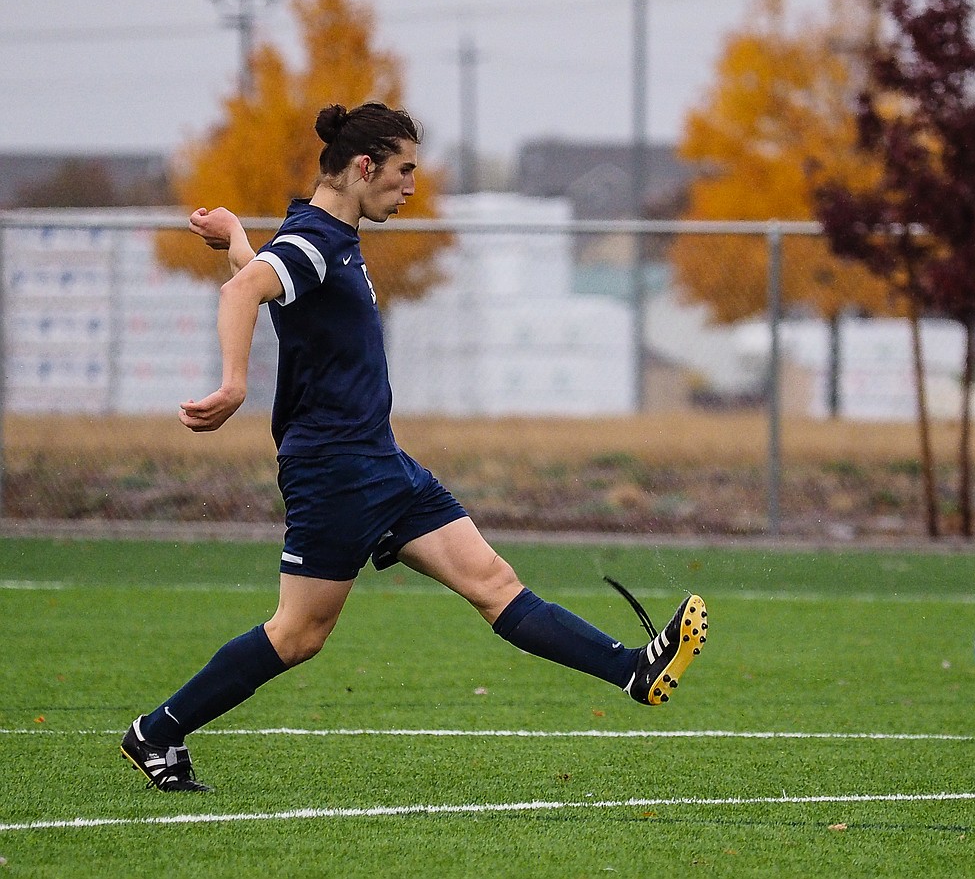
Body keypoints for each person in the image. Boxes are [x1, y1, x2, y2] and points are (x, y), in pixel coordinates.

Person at [120, 101, 707, 792]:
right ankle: (156, 730)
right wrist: (233, 384)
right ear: (363, 167)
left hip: (380, 461)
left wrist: (235, 238)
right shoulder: (315, 241)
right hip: (335, 468)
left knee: (494, 584)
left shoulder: (322, 239)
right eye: (403, 172)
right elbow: (246, 290)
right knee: (298, 634)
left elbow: (273, 284)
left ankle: (633, 669)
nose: (410, 187)